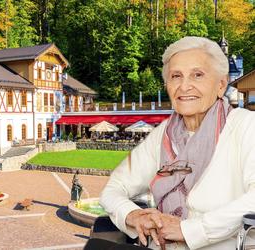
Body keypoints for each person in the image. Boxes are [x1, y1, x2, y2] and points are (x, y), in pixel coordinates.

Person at [97, 36, 255, 249]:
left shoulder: (246, 126)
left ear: (221, 85)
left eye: (197, 75)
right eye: (176, 76)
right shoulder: (162, 134)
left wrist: (189, 230)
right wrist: (132, 214)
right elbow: (113, 188)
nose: (184, 86)